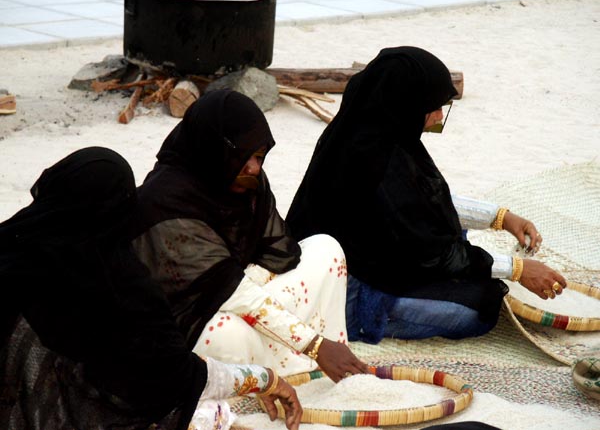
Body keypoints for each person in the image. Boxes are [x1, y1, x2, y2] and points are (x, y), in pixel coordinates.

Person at [0, 147, 302, 430]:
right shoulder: (123, 292)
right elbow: (177, 378)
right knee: (207, 413)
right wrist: (266, 379)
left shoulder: (12, 251)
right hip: (63, 415)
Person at [286, 46, 567, 344]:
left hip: (380, 252)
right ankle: (368, 319)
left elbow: (423, 201)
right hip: (353, 287)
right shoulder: (373, 161)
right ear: (404, 104)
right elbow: (430, 247)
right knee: (478, 308)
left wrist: (501, 217)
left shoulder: (371, 132)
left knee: (460, 245)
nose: (437, 117)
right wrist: (517, 269)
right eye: (432, 107)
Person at [131, 90, 369, 382]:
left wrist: (255, 285)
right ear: (215, 150)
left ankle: (326, 364)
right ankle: (275, 375)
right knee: (228, 333)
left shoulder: (244, 180)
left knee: (326, 248)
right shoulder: (165, 203)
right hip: (195, 319)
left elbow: (277, 252)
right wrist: (313, 344)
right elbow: (225, 289)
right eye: (244, 157)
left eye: (259, 156)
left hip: (241, 292)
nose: (254, 168)